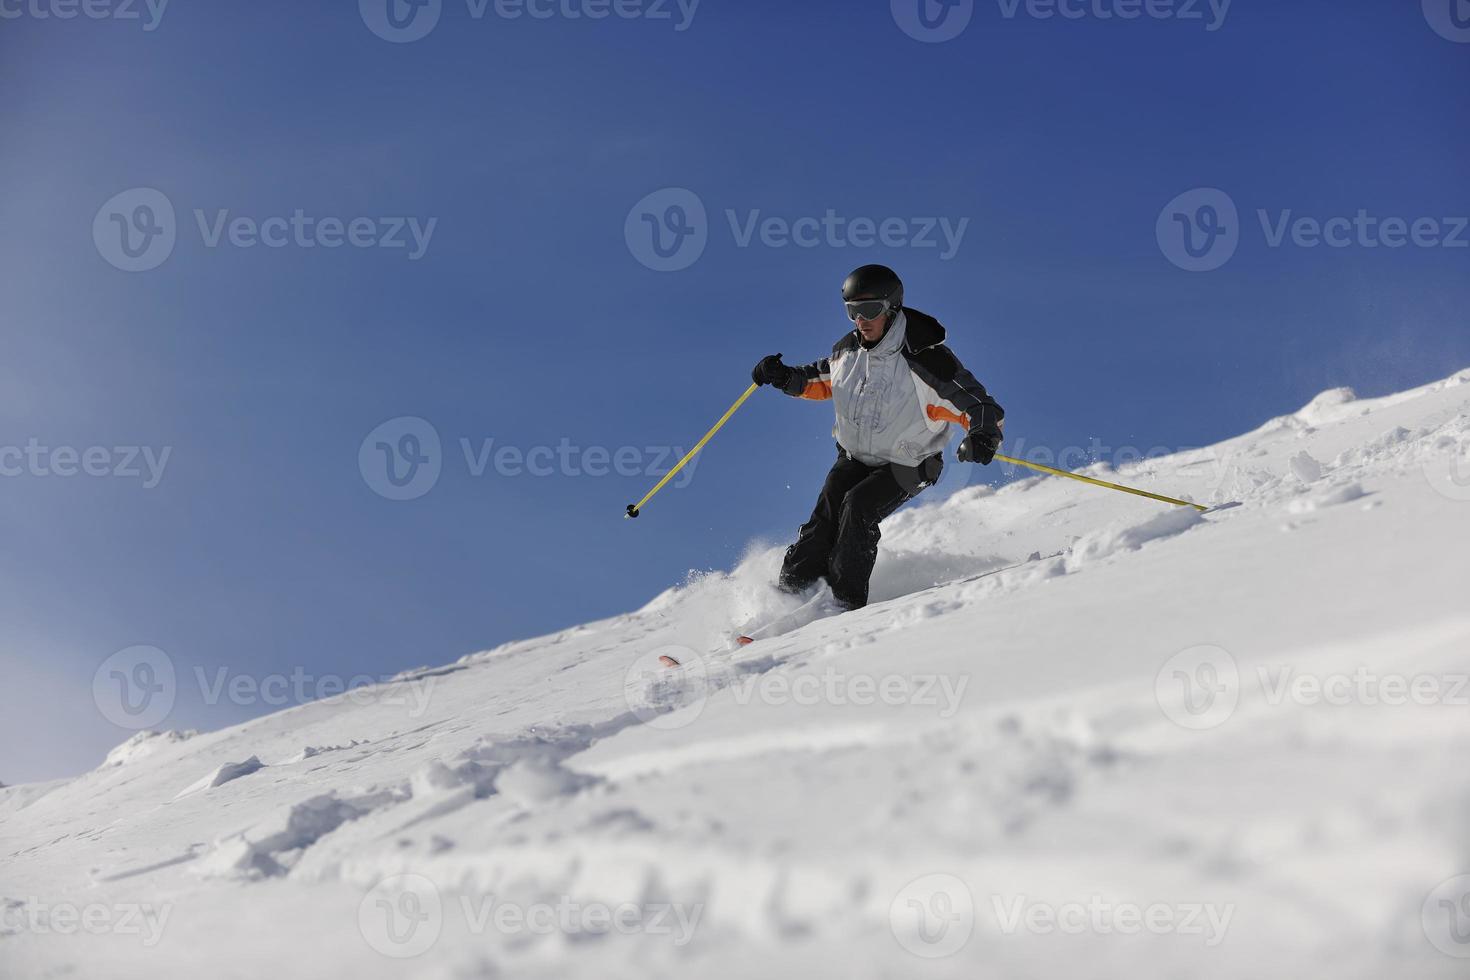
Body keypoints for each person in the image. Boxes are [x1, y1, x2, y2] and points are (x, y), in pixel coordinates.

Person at [751, 264, 1005, 611]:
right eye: (852, 311)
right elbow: (818, 380)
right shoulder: (847, 352)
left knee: (857, 509)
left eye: (869, 310)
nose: (860, 320)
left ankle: (843, 604)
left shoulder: (926, 359)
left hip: (909, 464)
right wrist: (782, 377)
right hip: (855, 457)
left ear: (892, 308)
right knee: (824, 518)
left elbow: (979, 405)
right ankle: (789, 596)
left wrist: (983, 434)